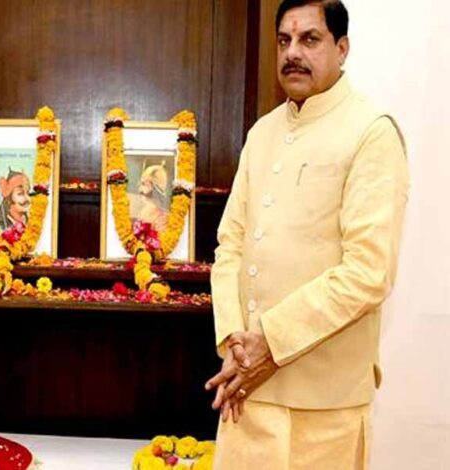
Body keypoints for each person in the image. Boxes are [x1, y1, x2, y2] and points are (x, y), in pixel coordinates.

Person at [204, 1, 408, 468]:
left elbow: (368, 272)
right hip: (247, 390)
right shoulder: (263, 133)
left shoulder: (371, 132)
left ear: (342, 49)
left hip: (324, 408)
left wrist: (271, 342)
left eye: (310, 39)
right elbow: (229, 244)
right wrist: (236, 342)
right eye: (284, 40)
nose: (292, 52)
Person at [132, 163, 170, 232]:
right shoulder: (142, 212)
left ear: (154, 187)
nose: (139, 189)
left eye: (144, 184)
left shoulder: (163, 218)